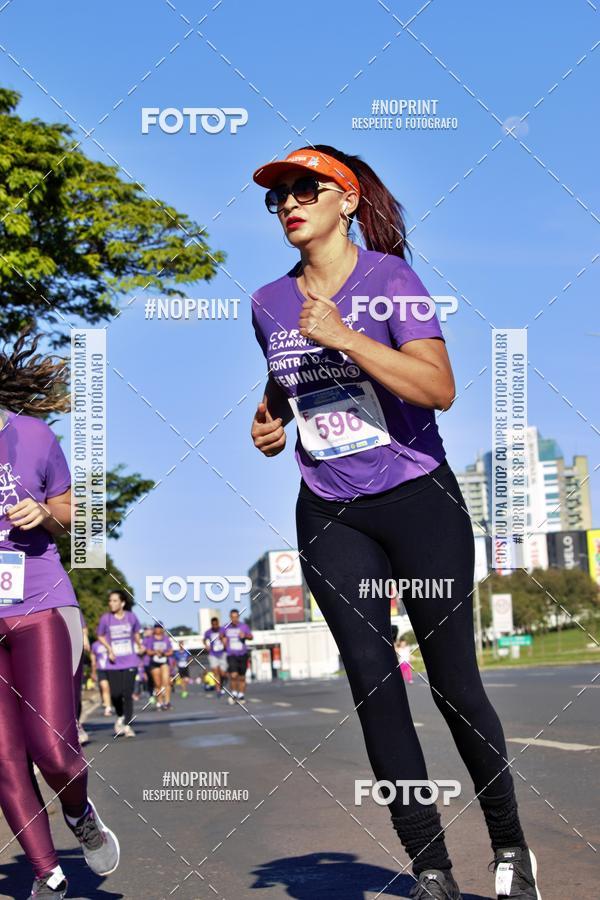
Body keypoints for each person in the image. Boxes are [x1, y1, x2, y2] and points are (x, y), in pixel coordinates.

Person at [249, 146, 542, 900]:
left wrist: (346, 336)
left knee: (453, 687)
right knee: (376, 686)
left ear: (344, 200)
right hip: (330, 511)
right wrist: (270, 418)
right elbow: (288, 380)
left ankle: (510, 848)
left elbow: (438, 387)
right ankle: (432, 868)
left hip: (418, 502)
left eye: (304, 189)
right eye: (277, 195)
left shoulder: (391, 282)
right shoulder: (268, 302)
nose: (288, 203)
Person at [0, 329, 119, 898]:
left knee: (52, 749)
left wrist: (42, 513)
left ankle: (79, 812)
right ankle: (47, 872)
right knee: (3, 756)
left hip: (39, 602)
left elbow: (80, 520)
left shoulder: (33, 435)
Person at [97, 590, 144, 738]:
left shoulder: (131, 617)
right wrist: (109, 649)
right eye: (110, 601)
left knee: (127, 694)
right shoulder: (106, 619)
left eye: (115, 601)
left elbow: (136, 633)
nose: (111, 603)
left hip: (130, 660)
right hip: (114, 662)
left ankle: (127, 724)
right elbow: (100, 635)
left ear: (122, 603)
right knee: (116, 694)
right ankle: (120, 716)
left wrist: (139, 644)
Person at [222, 610, 253, 704]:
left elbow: (251, 637)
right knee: (233, 675)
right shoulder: (225, 627)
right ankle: (234, 694)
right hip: (231, 655)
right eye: (233, 617)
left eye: (236, 617)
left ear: (238, 617)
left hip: (243, 654)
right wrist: (223, 641)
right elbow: (221, 636)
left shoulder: (244, 626)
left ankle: (241, 696)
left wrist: (245, 635)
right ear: (230, 617)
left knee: (242, 677)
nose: (234, 619)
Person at [143, 623, 175, 710]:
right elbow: (148, 651)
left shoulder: (166, 639)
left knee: (166, 682)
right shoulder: (151, 639)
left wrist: (164, 653)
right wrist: (155, 652)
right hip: (154, 663)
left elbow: (171, 651)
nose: (158, 629)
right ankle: (160, 702)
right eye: (156, 628)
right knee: (157, 684)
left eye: (159, 628)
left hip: (164, 662)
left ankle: (167, 702)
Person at [204, 616, 228, 696]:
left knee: (222, 673)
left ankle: (223, 681)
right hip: (213, 654)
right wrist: (206, 645)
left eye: (216, 624)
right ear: (211, 624)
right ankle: (218, 690)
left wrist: (223, 640)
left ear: (218, 623)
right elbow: (204, 639)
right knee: (215, 672)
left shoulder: (223, 630)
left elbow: (227, 640)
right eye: (213, 624)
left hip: (222, 653)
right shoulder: (208, 632)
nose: (215, 626)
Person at [91, 637, 112, 716]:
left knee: (113, 689)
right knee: (104, 687)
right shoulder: (95, 645)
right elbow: (93, 660)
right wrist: (93, 672)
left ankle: (114, 703)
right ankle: (108, 707)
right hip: (101, 670)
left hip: (113, 669)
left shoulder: (111, 641)